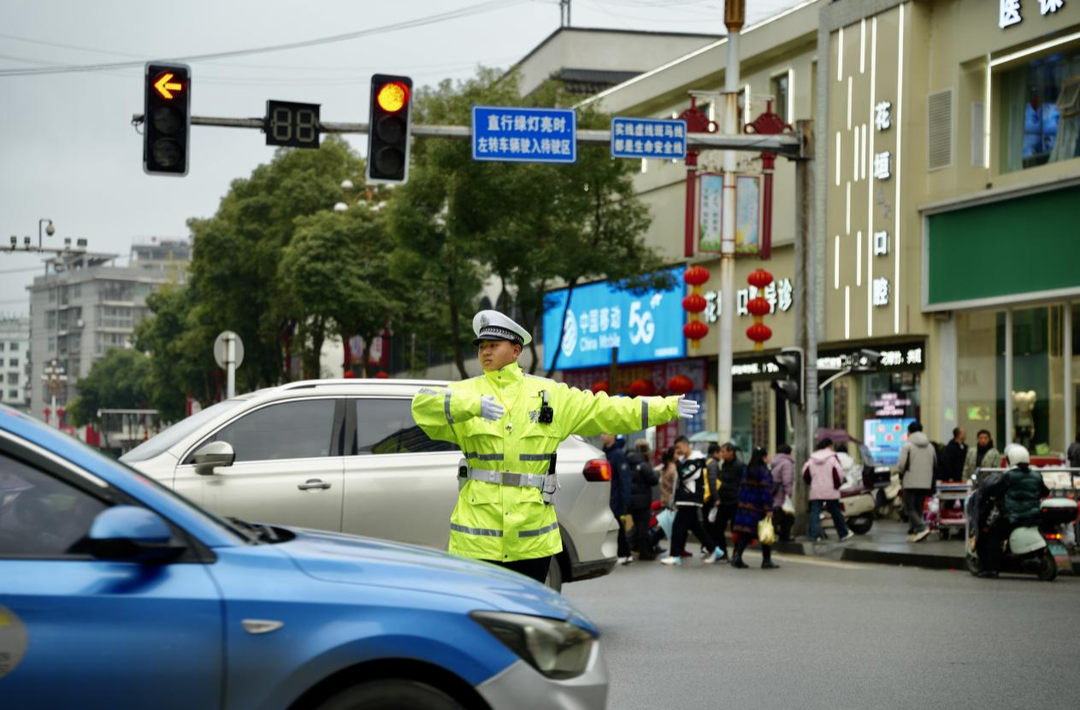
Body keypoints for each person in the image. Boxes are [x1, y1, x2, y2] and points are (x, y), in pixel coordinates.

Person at [411, 310, 700, 584]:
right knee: (480, 623)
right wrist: (470, 405)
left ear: (515, 351)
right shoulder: (466, 392)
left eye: (494, 344)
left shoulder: (550, 395)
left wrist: (668, 406)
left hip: (532, 540)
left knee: (526, 619)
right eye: (482, 346)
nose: (485, 351)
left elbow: (607, 410)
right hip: (476, 540)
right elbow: (421, 406)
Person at [976, 444, 1050, 578]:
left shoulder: (1009, 476)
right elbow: (1045, 491)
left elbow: (996, 491)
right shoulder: (1036, 475)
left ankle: (991, 569)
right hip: (1033, 516)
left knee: (992, 535)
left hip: (1014, 517)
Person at [660, 436, 725, 566]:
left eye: (679, 447)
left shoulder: (697, 458)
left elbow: (685, 476)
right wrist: (675, 500)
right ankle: (715, 550)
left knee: (678, 527)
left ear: (685, 444)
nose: (677, 451)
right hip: (685, 499)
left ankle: (674, 555)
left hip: (690, 498)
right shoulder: (686, 460)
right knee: (696, 528)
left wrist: (677, 462)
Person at [731, 447, 777, 569]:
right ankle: (766, 560)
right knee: (766, 532)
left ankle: (737, 557)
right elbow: (765, 491)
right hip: (758, 507)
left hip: (745, 506)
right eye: (768, 455)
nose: (769, 457)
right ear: (763, 457)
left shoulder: (747, 469)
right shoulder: (763, 471)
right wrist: (768, 508)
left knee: (746, 533)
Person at [803, 438, 854, 542]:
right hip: (831, 490)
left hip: (816, 489)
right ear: (830, 446)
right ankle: (843, 533)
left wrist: (811, 484)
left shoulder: (812, 458)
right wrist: (837, 485)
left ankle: (814, 535)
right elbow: (839, 473)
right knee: (835, 511)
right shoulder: (833, 457)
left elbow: (805, 473)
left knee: (815, 512)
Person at [894, 421, 937, 542]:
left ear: (909, 432)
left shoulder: (907, 446)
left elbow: (901, 466)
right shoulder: (930, 446)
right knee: (918, 508)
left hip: (910, 481)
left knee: (909, 508)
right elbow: (935, 464)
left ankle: (921, 528)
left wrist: (897, 471)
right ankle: (914, 532)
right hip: (925, 482)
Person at [626, 439, 659, 561]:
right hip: (643, 501)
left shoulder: (628, 462)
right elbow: (653, 480)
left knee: (637, 527)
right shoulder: (643, 464)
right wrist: (656, 473)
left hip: (632, 501)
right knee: (643, 529)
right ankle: (645, 553)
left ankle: (629, 548)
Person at [602, 434, 633, 565]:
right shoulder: (603, 453)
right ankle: (620, 553)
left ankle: (626, 554)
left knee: (618, 526)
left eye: (606, 433)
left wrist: (625, 501)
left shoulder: (618, 454)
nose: (603, 435)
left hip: (616, 498)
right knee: (612, 526)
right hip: (606, 497)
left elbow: (624, 479)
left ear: (613, 436)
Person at [711, 442, 744, 557]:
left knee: (736, 530)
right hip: (723, 501)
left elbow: (743, 483)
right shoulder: (723, 465)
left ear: (731, 452)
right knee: (717, 528)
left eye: (723, 451)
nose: (721, 454)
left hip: (735, 501)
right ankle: (722, 551)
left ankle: (737, 553)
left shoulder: (740, 466)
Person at [770, 443, 795, 542]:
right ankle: (782, 536)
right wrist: (789, 493)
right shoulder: (787, 463)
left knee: (784, 517)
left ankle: (783, 536)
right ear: (789, 453)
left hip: (774, 493)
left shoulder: (774, 462)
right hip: (781, 494)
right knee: (786, 517)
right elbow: (787, 480)